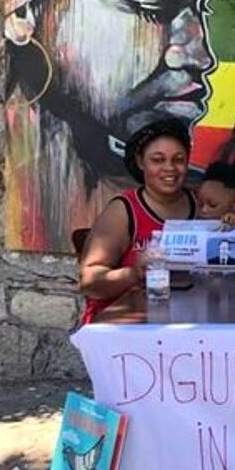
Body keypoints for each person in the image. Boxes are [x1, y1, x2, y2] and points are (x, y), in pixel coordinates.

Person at [2, 0, 217, 253]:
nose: (199, 56)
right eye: (152, 3)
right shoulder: (119, 209)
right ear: (21, 14)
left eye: (199, 8)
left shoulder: (192, 198)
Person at [78, 119, 197, 324]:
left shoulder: (202, 204)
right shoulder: (124, 211)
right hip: (125, 328)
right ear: (141, 162)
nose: (170, 168)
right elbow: (88, 281)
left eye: (178, 160)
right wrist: (134, 273)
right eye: (157, 160)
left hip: (186, 319)